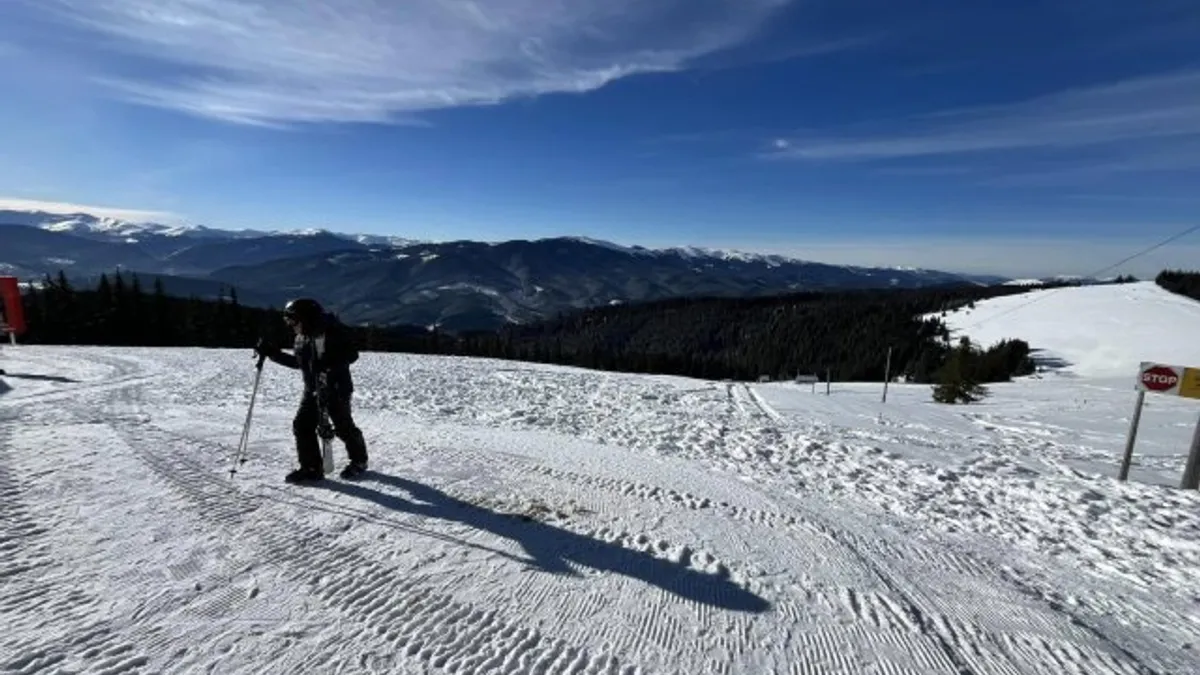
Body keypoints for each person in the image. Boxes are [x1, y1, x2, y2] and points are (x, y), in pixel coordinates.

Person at [255, 297, 369, 483]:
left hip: (336, 388)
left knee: (343, 427)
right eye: (288, 320)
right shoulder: (302, 337)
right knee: (302, 425)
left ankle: (359, 460)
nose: (290, 324)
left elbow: (352, 354)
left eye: (293, 319)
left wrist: (329, 365)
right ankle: (311, 467)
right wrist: (272, 353)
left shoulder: (332, 331)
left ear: (306, 318)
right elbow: (299, 364)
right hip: (313, 388)